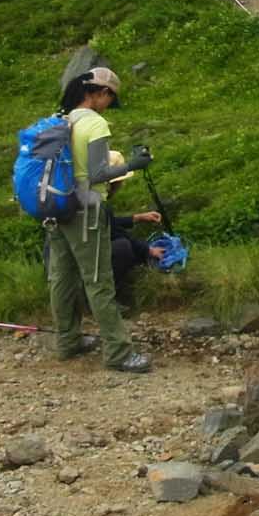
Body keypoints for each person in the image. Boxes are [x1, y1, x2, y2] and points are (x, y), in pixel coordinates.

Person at [46, 67, 153, 373]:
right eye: (110, 99)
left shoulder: (62, 119)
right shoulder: (94, 123)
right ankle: (119, 352)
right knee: (99, 281)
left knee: (62, 277)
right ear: (102, 93)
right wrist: (134, 164)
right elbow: (98, 174)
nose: (109, 105)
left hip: (57, 207)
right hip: (86, 211)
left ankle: (68, 342)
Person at [102, 150, 166, 313]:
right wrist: (148, 250)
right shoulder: (98, 203)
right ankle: (104, 299)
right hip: (82, 259)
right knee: (123, 247)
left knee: (127, 246)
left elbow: (108, 223)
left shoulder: (85, 193)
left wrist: (137, 217)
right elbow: (114, 231)